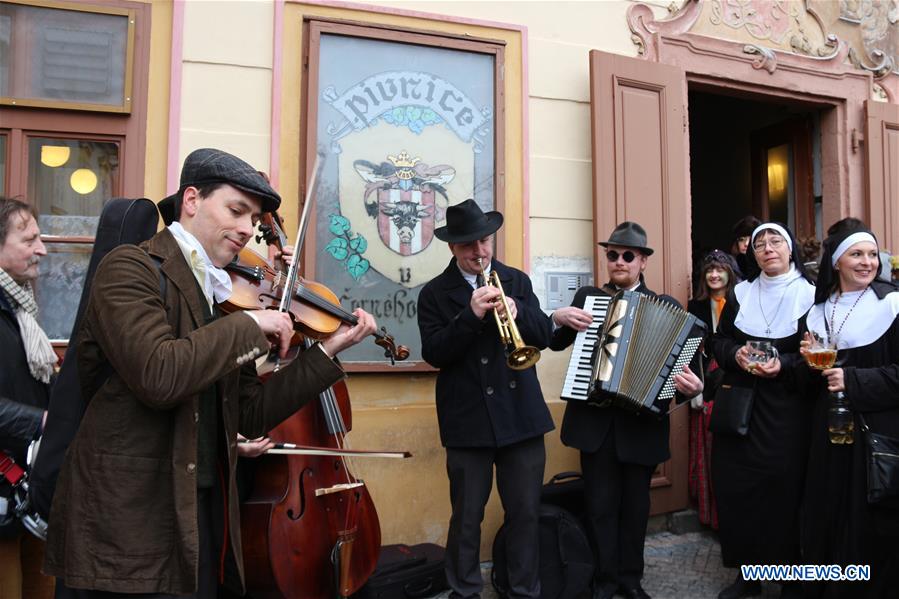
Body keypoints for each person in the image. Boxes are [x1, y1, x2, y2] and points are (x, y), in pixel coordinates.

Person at [43, 148, 378, 598]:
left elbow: (251, 413)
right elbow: (158, 374)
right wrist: (248, 326)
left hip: (201, 512)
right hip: (130, 519)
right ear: (192, 199)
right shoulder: (130, 268)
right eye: (236, 211)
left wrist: (329, 350)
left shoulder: (220, 297)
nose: (247, 229)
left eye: (253, 218)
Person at [549, 221, 703, 599]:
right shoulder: (587, 297)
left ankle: (631, 581)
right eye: (612, 254)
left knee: (635, 511)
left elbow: (687, 376)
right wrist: (558, 316)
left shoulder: (665, 307)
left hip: (641, 428)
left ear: (643, 262)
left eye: (627, 255)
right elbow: (554, 342)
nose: (619, 261)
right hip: (595, 425)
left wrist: (691, 389)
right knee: (600, 507)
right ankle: (604, 582)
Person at [417, 199, 554, 599]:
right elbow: (435, 353)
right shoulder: (434, 294)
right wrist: (469, 317)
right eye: (469, 246)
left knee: (526, 514)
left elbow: (544, 335)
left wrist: (520, 310)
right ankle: (465, 592)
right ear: (452, 248)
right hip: (468, 421)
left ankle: (524, 591)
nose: (479, 252)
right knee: (466, 518)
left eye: (484, 242)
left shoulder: (515, 280)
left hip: (521, 417)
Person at [708, 222, 815, 599]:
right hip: (739, 404)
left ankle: (789, 578)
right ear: (752, 254)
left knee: (783, 493)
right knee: (739, 489)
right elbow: (717, 342)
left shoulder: (810, 296)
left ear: (789, 250)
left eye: (775, 242)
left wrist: (782, 366)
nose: (768, 248)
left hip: (785, 411)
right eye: (760, 244)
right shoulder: (739, 294)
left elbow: (816, 357)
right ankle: (750, 574)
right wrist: (734, 355)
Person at [798, 224, 899, 598]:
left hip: (876, 438)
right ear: (837, 261)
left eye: (873, 255)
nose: (867, 262)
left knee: (869, 525)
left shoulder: (892, 304)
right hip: (827, 435)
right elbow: (806, 382)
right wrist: (807, 364)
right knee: (827, 515)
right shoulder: (817, 312)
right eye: (857, 254)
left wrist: (853, 381)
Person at [0, 197, 55, 599]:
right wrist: (42, 421)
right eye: (29, 239)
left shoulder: (20, 307)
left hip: (28, 488)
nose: (42, 250)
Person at [686, 249, 741, 530]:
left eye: (720, 269)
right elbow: (691, 351)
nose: (714, 275)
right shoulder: (694, 308)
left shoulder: (742, 303)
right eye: (709, 270)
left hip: (735, 388)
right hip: (705, 389)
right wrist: (695, 388)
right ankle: (710, 516)